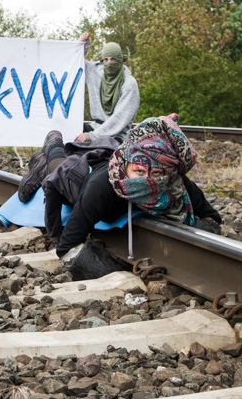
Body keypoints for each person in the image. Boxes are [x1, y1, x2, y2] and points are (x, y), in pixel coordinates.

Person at [56, 115, 222, 258]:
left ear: (169, 174)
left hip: (112, 153)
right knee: (55, 164)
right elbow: (66, 247)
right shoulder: (100, 188)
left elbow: (211, 218)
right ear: (126, 167)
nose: (147, 181)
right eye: (139, 172)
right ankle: (54, 143)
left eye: (156, 174)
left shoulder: (176, 183)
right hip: (76, 175)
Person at [75, 33, 139, 143]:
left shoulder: (129, 84)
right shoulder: (95, 71)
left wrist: (92, 136)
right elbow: (75, 62)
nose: (109, 63)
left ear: (120, 59)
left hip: (117, 135)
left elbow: (120, 119)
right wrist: (83, 45)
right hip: (95, 127)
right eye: (106, 59)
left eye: (113, 59)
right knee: (68, 137)